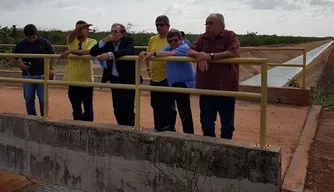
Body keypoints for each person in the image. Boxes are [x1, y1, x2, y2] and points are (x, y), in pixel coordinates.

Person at [186, 13, 240, 139]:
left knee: (227, 125)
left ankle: (226, 148)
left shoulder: (230, 36)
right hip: (207, 88)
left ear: (221, 25)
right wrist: (200, 56)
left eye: (211, 23)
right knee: (207, 123)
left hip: (225, 88)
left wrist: (209, 56)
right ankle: (209, 150)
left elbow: (233, 53)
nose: (207, 26)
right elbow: (190, 51)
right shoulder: (202, 38)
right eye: (206, 23)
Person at [141, 29, 195, 134]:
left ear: (181, 39)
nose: (173, 43)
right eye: (170, 41)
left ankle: (189, 136)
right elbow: (162, 52)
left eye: (175, 40)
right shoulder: (169, 47)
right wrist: (147, 53)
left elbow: (169, 53)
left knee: (184, 112)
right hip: (172, 84)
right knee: (169, 109)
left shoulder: (184, 47)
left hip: (183, 84)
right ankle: (170, 130)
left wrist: (153, 53)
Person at [89, 23, 142, 126]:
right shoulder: (108, 44)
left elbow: (128, 51)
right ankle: (121, 128)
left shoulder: (128, 41)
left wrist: (110, 55)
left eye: (116, 32)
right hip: (114, 80)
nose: (113, 34)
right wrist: (104, 41)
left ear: (122, 34)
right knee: (117, 108)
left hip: (128, 80)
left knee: (128, 108)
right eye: (112, 31)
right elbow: (92, 52)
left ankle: (131, 128)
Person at [139, 15, 177, 132]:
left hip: (168, 77)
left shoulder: (172, 39)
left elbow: (175, 53)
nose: (159, 27)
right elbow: (148, 54)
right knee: (155, 103)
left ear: (168, 26)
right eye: (157, 25)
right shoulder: (153, 39)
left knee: (168, 105)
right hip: (154, 76)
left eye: (161, 25)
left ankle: (170, 127)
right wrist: (148, 69)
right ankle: (159, 126)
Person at [12, 24, 57, 117]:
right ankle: (32, 117)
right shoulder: (21, 44)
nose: (32, 39)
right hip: (27, 75)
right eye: (29, 38)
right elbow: (13, 60)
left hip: (42, 75)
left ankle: (44, 117)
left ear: (37, 34)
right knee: (28, 99)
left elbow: (54, 57)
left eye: (33, 37)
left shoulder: (44, 42)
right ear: (25, 37)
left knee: (43, 99)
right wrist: (21, 66)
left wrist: (51, 69)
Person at [60, 20, 97, 122]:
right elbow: (71, 36)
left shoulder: (92, 41)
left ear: (88, 30)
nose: (80, 31)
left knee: (88, 108)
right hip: (73, 80)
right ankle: (77, 126)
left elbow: (88, 51)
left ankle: (89, 128)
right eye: (78, 29)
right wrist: (78, 29)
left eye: (83, 29)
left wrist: (71, 51)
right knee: (76, 108)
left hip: (86, 80)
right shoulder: (72, 41)